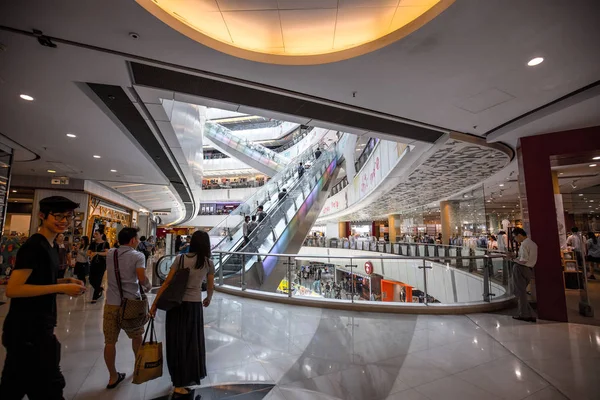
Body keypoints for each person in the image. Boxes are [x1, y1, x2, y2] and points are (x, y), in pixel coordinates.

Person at [0, 196, 86, 399]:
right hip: (27, 331)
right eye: (58, 216)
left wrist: (63, 283)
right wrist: (59, 287)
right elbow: (13, 289)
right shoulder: (34, 246)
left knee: (14, 387)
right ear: (41, 216)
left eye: (67, 216)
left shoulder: (52, 246)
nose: (63, 221)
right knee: (49, 388)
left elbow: (39, 279)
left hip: (37, 328)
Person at [150, 231, 215, 398]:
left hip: (176, 306)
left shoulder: (180, 259)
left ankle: (178, 382)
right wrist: (208, 298)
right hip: (194, 308)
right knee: (191, 344)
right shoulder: (208, 262)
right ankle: (186, 379)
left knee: (176, 343)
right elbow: (210, 286)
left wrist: (155, 304)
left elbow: (167, 283)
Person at [103, 227, 151, 390]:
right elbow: (141, 277)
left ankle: (112, 377)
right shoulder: (138, 256)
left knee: (110, 342)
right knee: (136, 337)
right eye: (137, 239)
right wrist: (148, 285)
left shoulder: (111, 253)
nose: (138, 241)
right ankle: (138, 369)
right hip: (131, 304)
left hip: (111, 304)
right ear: (132, 240)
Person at [511, 227, 538, 322]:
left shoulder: (524, 245)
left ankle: (524, 314)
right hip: (529, 269)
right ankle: (529, 314)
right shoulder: (533, 244)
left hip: (521, 268)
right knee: (521, 291)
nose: (515, 239)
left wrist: (513, 259)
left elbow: (523, 260)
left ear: (519, 235)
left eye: (515, 237)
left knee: (519, 292)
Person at [89, 230, 110, 304]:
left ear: (101, 235)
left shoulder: (105, 244)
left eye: (97, 234)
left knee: (98, 279)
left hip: (102, 264)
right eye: (94, 233)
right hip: (93, 263)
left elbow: (107, 253)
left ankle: (94, 297)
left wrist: (97, 253)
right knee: (91, 279)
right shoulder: (93, 243)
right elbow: (89, 252)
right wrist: (90, 254)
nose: (95, 235)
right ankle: (99, 289)